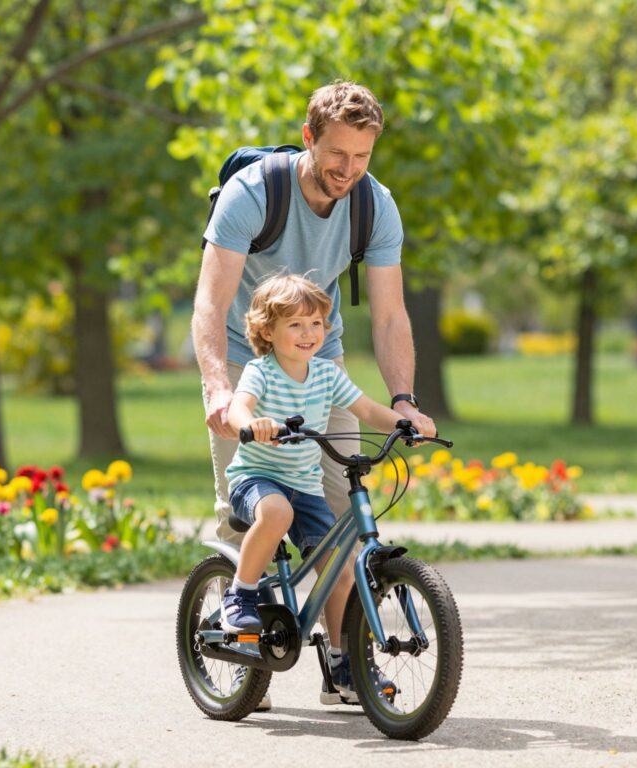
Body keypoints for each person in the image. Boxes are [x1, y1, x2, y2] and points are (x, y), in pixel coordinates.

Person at [192, 80, 437, 708]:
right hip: (248, 366)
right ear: (309, 138)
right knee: (250, 509)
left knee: (342, 520)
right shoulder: (254, 194)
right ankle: (242, 645)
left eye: (362, 158)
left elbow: (389, 317)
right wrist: (220, 389)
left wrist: (403, 400)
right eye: (337, 157)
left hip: (320, 366)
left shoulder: (374, 206)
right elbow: (212, 301)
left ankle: (340, 658)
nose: (348, 172)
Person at [222, 274, 405, 701]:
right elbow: (238, 408)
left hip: (304, 487)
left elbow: (367, 408)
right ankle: (240, 595)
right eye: (296, 325)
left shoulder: (325, 374)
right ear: (268, 331)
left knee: (341, 572)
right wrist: (251, 425)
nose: (309, 334)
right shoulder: (260, 372)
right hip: (255, 479)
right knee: (276, 514)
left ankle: (342, 667)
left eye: (317, 324)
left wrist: (404, 421)